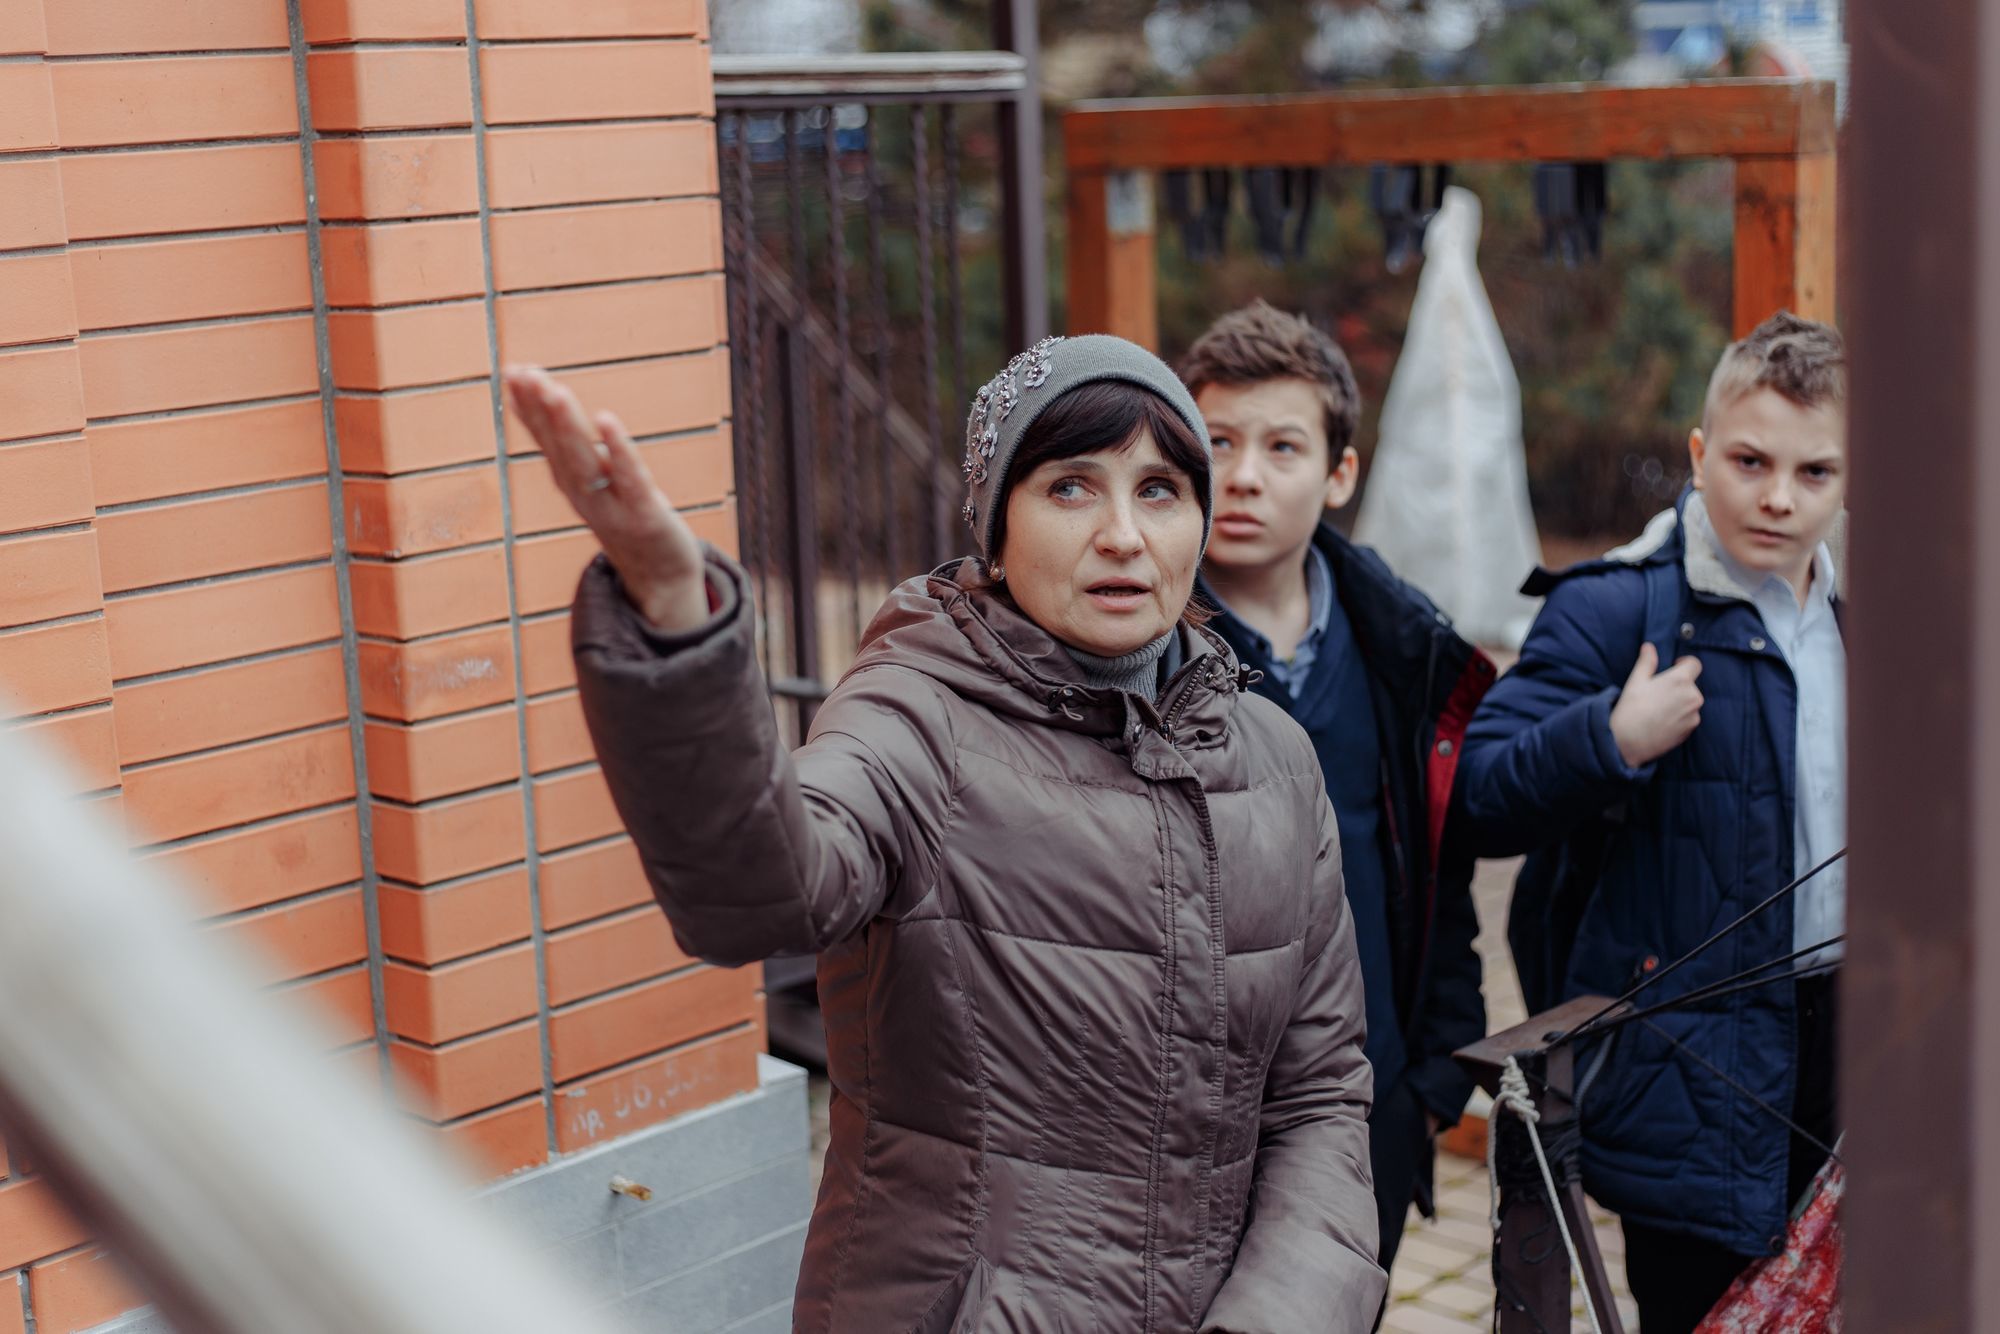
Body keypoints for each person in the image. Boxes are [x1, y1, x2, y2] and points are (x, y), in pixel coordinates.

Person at [503, 334, 1386, 1332]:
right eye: (1069, 487)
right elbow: (758, 893)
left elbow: (1319, 1095)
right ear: (995, 528)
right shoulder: (914, 717)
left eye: (1158, 491)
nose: (1122, 535)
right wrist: (677, 626)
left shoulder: (1273, 755)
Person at [1457, 312, 1847, 1334]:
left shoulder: (1878, 618)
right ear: (1698, 452)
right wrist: (1608, 737)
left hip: (1852, 1049)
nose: (1777, 496)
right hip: (1688, 1067)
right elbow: (1477, 794)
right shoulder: (1615, 609)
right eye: (1750, 461)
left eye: (1813, 471)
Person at [1180, 301, 1492, 1281]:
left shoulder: (1400, 649)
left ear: (1339, 472)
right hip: (1192, 1120)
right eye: (1217, 441)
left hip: (1370, 1096)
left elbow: (1437, 865)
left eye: (1282, 446)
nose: (1243, 476)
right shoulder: (1134, 651)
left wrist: (1433, 1075)